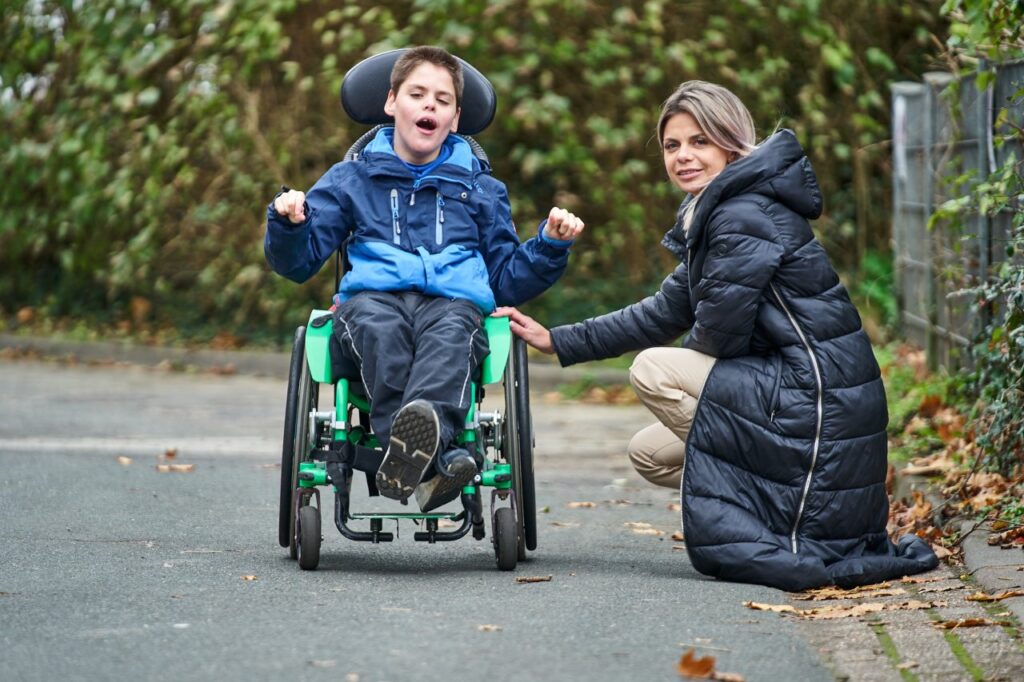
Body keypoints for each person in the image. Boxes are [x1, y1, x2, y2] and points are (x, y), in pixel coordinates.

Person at [498, 80, 937, 590]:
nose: (684, 156)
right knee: (649, 452)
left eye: (699, 141)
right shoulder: (718, 211)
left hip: (815, 402)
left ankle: (779, 497)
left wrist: (704, 372)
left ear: (731, 143)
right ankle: (766, 488)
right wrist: (561, 340)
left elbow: (718, 338)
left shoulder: (740, 214)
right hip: (798, 397)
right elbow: (667, 309)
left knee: (652, 369)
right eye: (672, 145)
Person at [265, 46, 584, 512]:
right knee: (379, 328)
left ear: (455, 118)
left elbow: (504, 280)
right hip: (372, 299)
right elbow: (298, 263)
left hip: (454, 304)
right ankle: (440, 457)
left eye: (442, 99)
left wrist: (550, 246)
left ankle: (411, 455)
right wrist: (290, 224)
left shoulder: (481, 190)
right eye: (417, 94)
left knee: (452, 335)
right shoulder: (351, 179)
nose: (429, 105)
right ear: (392, 102)